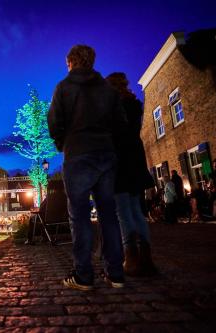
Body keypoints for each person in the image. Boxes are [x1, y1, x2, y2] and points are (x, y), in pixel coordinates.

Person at [48, 45, 127, 290]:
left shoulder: (63, 87)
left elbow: (54, 122)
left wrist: (64, 143)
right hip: (105, 155)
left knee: (79, 216)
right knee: (108, 214)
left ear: (70, 62)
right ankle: (115, 273)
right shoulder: (109, 90)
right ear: (92, 62)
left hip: (78, 155)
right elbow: (121, 125)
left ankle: (83, 275)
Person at [106, 72, 158, 277]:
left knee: (123, 212)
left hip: (119, 161)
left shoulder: (113, 108)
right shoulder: (135, 104)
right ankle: (147, 258)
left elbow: (112, 135)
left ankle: (132, 258)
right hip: (135, 159)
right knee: (137, 210)